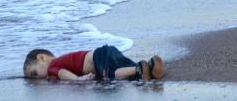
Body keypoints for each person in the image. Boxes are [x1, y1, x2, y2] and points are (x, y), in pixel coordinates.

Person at [23, 44, 164, 82]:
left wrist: (77, 79)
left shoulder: (52, 67)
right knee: (124, 68)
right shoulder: (62, 59)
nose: (37, 77)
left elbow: (62, 73)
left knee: (111, 75)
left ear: (41, 58)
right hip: (105, 51)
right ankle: (150, 66)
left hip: (98, 57)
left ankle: (139, 68)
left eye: (34, 73)